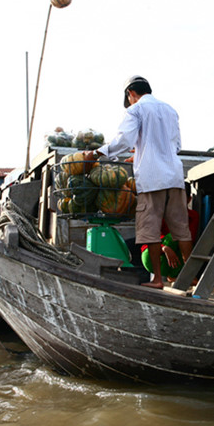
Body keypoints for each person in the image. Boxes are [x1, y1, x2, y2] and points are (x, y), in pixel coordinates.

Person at [88, 75, 192, 289]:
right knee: (181, 228)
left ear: (131, 94)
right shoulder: (170, 110)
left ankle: (157, 280)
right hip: (174, 175)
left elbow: (124, 140)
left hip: (152, 178)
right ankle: (191, 277)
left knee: (150, 228)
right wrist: (140, 154)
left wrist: (98, 152)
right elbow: (175, 146)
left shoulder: (135, 110)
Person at [140, 182, 199, 283]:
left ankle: (175, 275)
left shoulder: (193, 217)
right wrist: (164, 248)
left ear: (189, 200)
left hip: (176, 257)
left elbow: (189, 242)